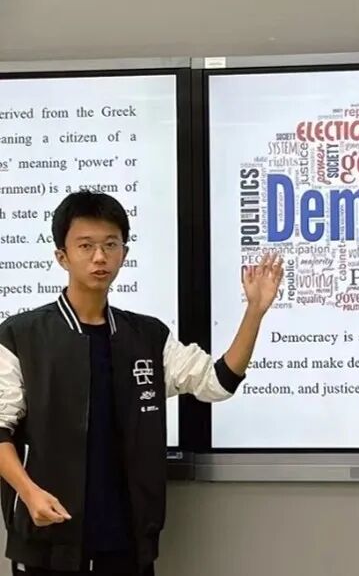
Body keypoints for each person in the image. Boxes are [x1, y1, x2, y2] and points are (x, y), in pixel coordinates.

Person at [0, 190, 283, 575]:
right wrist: (29, 492)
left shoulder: (147, 337)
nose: (99, 257)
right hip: (48, 537)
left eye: (110, 245)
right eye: (86, 245)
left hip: (128, 541)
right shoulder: (21, 336)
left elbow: (217, 382)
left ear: (124, 253)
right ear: (61, 256)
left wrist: (255, 312)